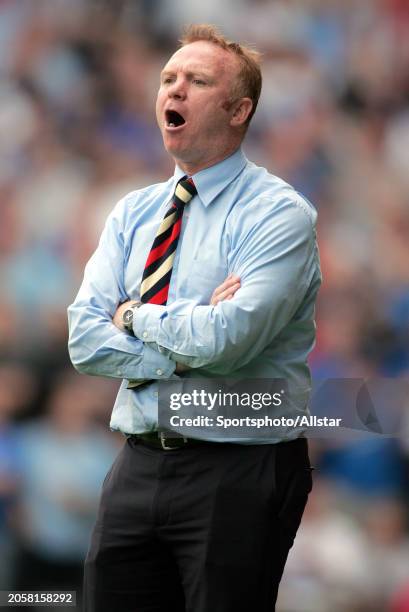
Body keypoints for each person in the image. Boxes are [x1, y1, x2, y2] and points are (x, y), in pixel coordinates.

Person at [68, 24, 321, 612]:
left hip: (240, 467)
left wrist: (132, 314)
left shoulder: (279, 214)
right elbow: (84, 338)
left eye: (197, 81)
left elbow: (229, 341)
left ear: (239, 111)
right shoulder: (133, 211)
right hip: (137, 459)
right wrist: (186, 332)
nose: (174, 90)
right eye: (168, 78)